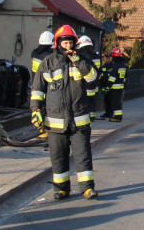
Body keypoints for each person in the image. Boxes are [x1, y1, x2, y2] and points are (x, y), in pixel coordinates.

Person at [29, 24, 99, 199]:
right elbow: (37, 89)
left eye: (70, 43)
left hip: (79, 119)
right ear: (58, 44)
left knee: (83, 155)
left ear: (75, 44)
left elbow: (93, 78)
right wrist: (35, 110)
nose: (68, 46)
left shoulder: (82, 60)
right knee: (58, 156)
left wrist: (78, 61)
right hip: (55, 121)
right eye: (65, 43)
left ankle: (87, 188)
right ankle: (61, 189)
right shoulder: (47, 63)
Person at [30, 30, 55, 139]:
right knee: (45, 109)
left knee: (38, 108)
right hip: (45, 85)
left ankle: (40, 129)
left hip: (35, 84)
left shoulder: (35, 53)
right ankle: (44, 131)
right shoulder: (48, 56)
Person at [77, 36, 101, 120]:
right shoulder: (96, 56)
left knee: (85, 101)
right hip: (94, 83)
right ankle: (92, 115)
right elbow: (99, 70)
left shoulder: (83, 56)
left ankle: (87, 116)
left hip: (85, 82)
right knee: (92, 100)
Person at [102, 47, 128, 121]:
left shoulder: (116, 65)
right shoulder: (123, 65)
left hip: (114, 87)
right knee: (118, 102)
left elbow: (112, 78)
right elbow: (125, 76)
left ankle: (117, 117)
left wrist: (108, 86)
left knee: (115, 103)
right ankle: (118, 116)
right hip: (121, 86)